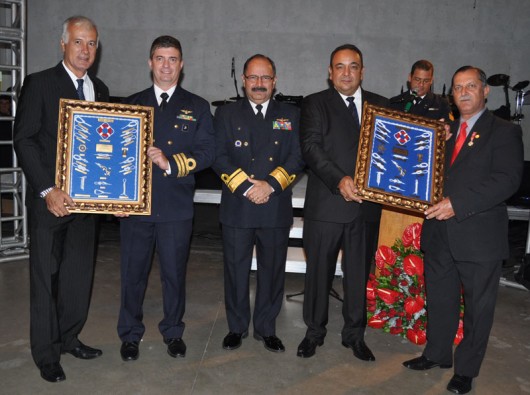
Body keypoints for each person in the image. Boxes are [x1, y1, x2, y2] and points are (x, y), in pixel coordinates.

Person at [402, 66, 523, 394]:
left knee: (477, 308)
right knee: (439, 299)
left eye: (471, 86)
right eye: (458, 87)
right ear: (451, 96)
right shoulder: (444, 132)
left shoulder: (504, 131)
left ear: (485, 91)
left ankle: (466, 370)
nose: (465, 92)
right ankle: (437, 354)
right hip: (440, 234)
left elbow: (507, 180)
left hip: (478, 237)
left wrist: (458, 203)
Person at [13, 16, 109, 383]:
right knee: (45, 279)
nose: (86, 50)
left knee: (76, 276)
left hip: (87, 205)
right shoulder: (39, 83)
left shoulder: (100, 88)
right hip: (51, 202)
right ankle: (46, 353)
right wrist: (47, 190)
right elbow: (25, 140)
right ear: (63, 44)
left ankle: (69, 337)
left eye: (92, 44)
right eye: (79, 42)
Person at [117, 36, 215, 362]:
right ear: (150, 63)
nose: (166, 65)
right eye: (160, 58)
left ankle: (173, 332)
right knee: (133, 275)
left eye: (173, 59)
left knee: (174, 275)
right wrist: (117, 199)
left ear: (181, 64)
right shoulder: (130, 104)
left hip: (175, 206)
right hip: (135, 207)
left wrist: (170, 163)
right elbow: (117, 158)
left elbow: (206, 153)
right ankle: (130, 335)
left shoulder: (198, 106)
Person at [297, 44, 388, 360]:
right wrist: (340, 180)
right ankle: (314, 332)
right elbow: (311, 148)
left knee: (359, 275)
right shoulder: (314, 104)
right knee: (318, 272)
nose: (346, 72)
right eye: (339, 66)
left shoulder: (382, 105)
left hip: (367, 210)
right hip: (327, 205)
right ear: (330, 72)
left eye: (353, 66)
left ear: (362, 71)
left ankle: (354, 335)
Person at [213, 54, 304, 353]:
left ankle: (266, 328)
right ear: (243, 80)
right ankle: (236, 327)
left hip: (274, 204)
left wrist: (270, 186)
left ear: (275, 81)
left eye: (265, 78)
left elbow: (297, 158)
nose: (259, 84)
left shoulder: (290, 114)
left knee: (273, 270)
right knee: (236, 270)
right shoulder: (226, 114)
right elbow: (218, 156)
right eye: (253, 77)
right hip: (239, 204)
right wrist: (247, 188)